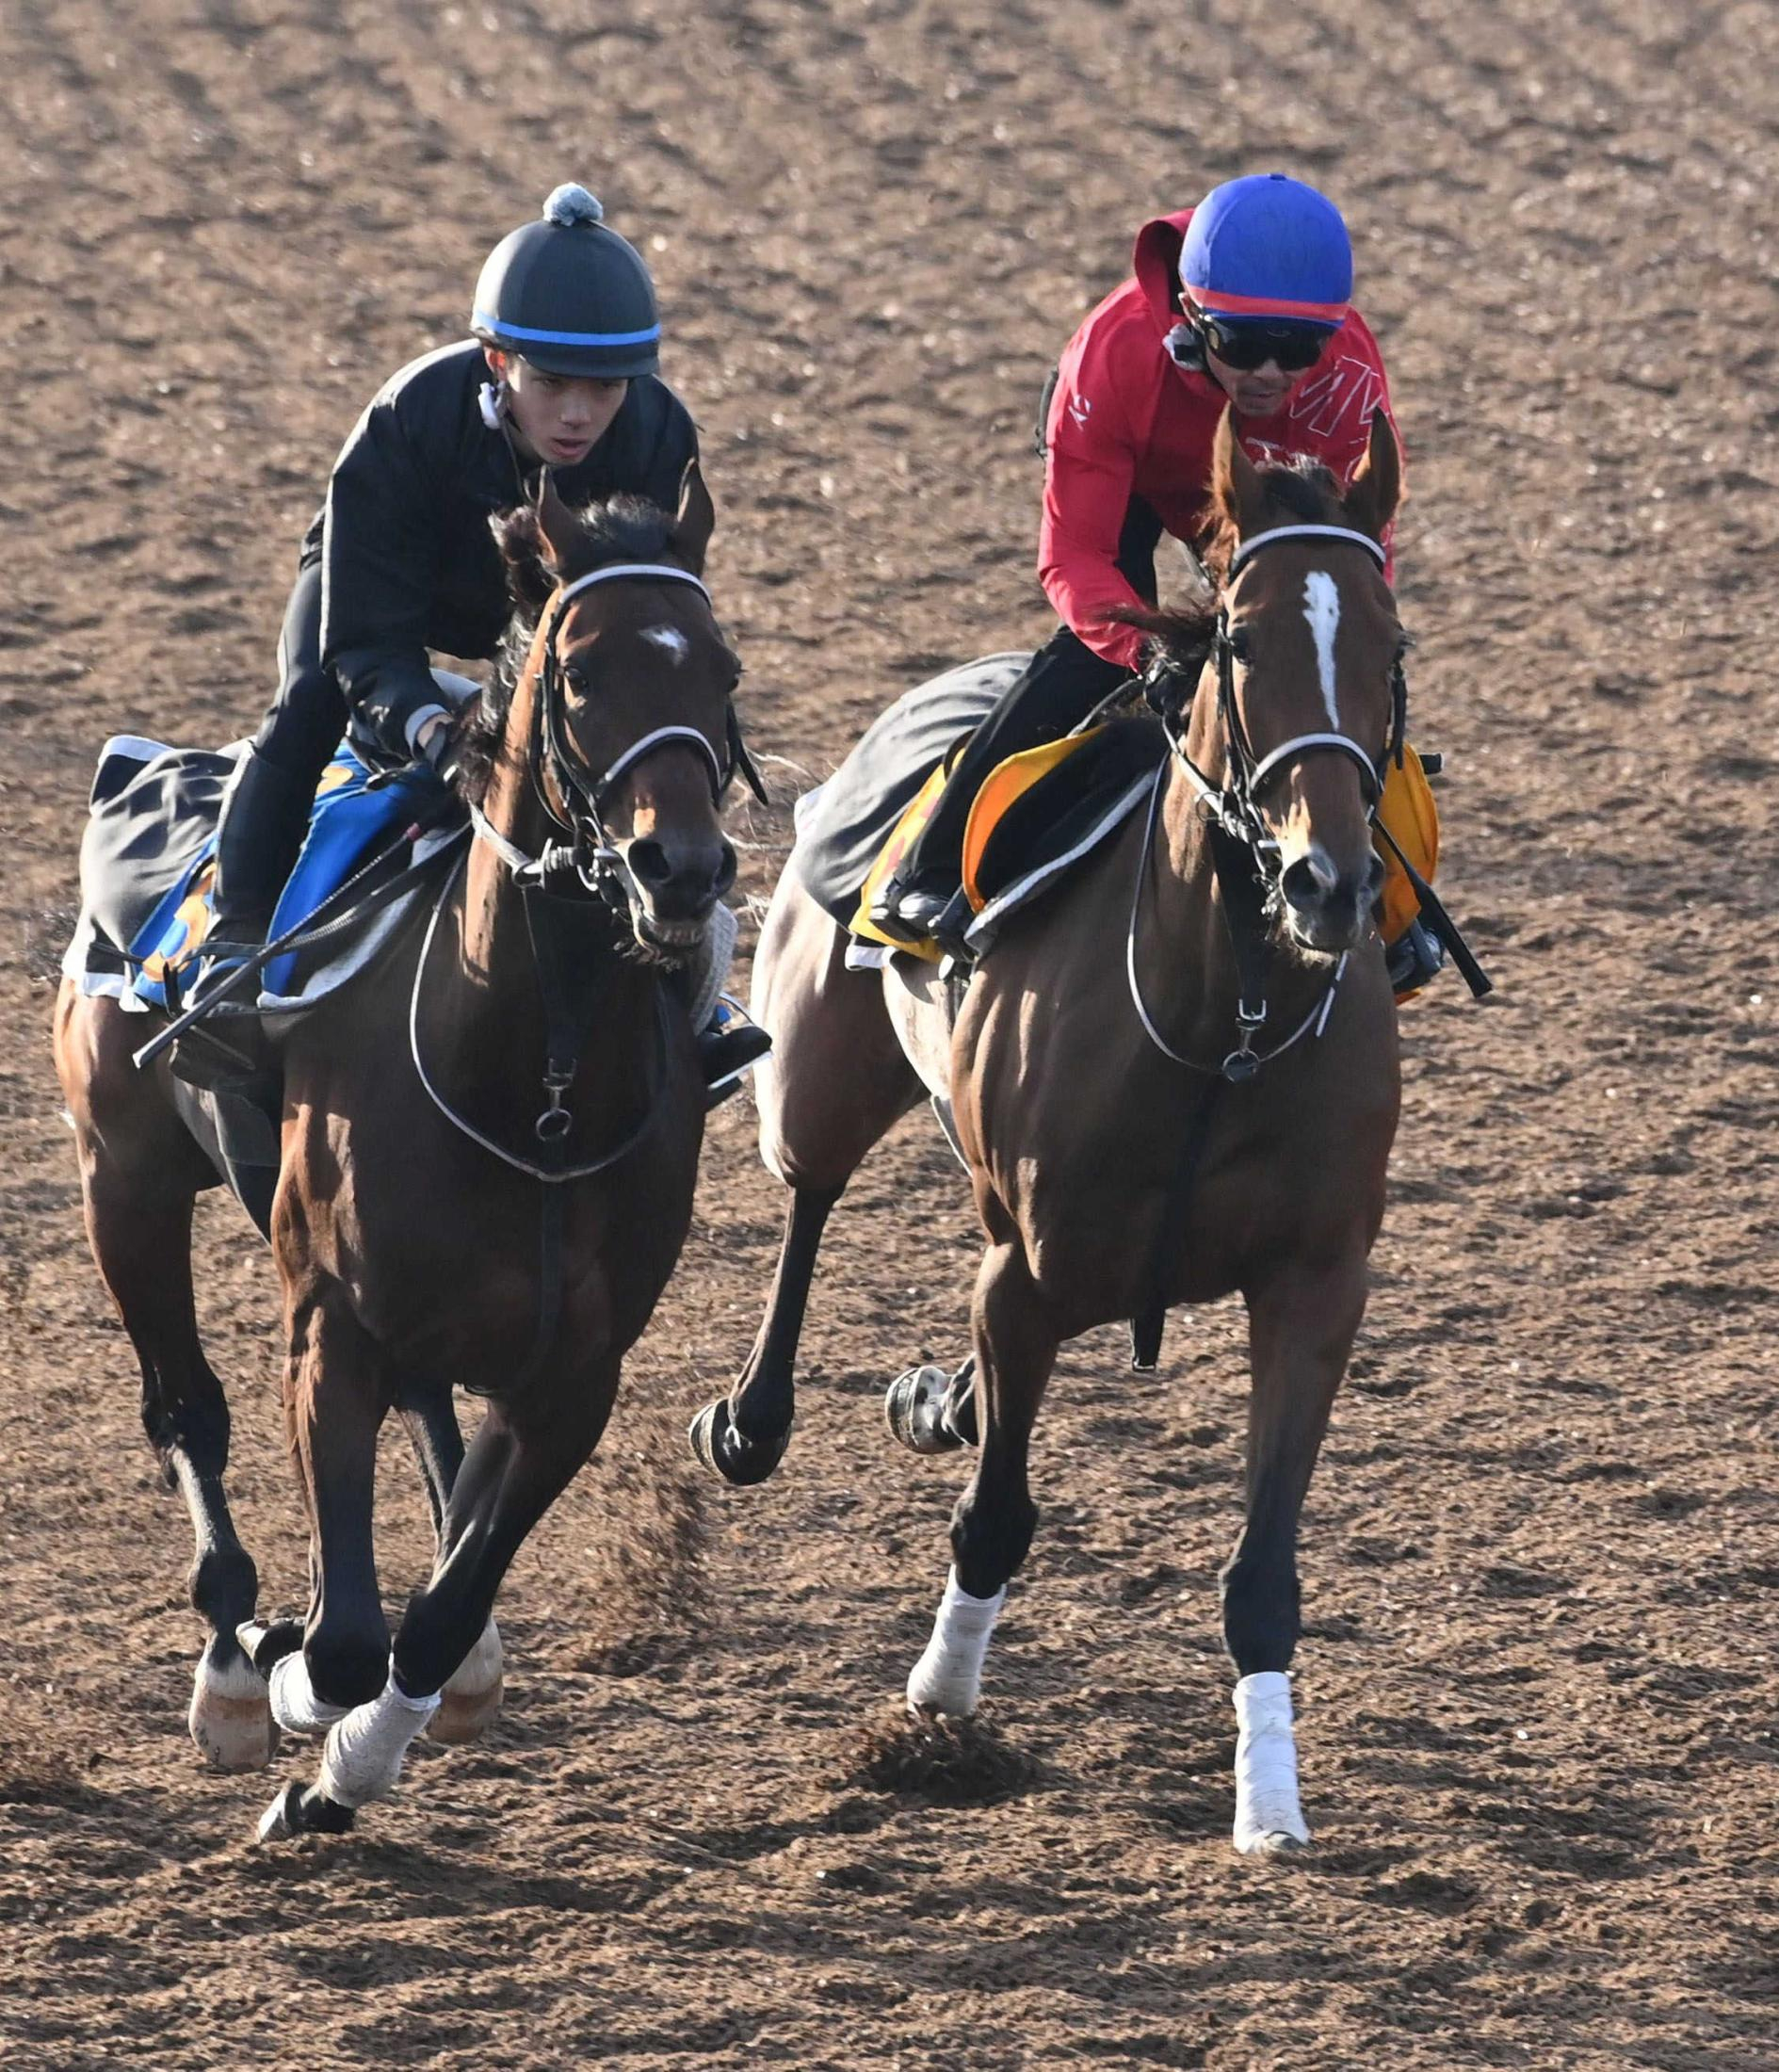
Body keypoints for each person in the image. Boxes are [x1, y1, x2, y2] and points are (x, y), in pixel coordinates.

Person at [186, 183, 769, 1094]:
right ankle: (234, 943)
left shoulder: (658, 431)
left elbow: (652, 613)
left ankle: (686, 1004)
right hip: (400, 579)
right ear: (497, 360)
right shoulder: (411, 415)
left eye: (603, 389)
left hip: (552, 594)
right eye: (551, 384)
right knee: (307, 696)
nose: (578, 414)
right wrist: (427, 726)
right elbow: (368, 645)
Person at [872, 172, 1404, 957]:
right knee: (1089, 663)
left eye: (1296, 350)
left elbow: (1356, 558)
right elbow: (1074, 557)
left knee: (1339, 666)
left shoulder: (1348, 374)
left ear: (1332, 333)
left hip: (1266, 490)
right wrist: (1147, 654)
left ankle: (1400, 912)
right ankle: (931, 866)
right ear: (1191, 315)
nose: (1267, 372)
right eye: (1239, 343)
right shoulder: (1114, 351)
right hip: (1134, 467)